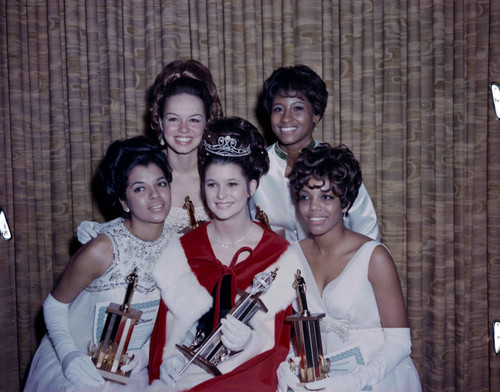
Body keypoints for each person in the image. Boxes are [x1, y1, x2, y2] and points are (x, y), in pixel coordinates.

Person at [148, 117, 301, 391]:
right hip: (190, 372)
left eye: (232, 184)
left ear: (251, 187)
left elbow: (278, 343)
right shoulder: (184, 249)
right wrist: (168, 360)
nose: (221, 195)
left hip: (250, 373)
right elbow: (168, 331)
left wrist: (250, 342)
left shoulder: (278, 255)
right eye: (212, 184)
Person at [24, 136, 174, 391]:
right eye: (139, 188)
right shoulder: (101, 249)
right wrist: (68, 357)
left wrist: (147, 354)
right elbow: (54, 305)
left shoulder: (178, 246)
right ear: (123, 202)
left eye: (160, 183)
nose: (155, 195)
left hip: (131, 366)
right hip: (78, 361)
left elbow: (175, 314)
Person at [277, 143, 421, 392]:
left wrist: (354, 382)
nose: (313, 208)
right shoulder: (292, 256)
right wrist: (289, 364)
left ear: (345, 203)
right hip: (323, 379)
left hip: (378, 377)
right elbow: (297, 330)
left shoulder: (373, 257)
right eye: (305, 197)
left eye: (326, 197)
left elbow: (400, 343)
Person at [77, 59, 223, 242]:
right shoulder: (142, 168)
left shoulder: (223, 171)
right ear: (160, 121)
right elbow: (131, 221)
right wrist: (98, 230)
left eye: (193, 120)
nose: (183, 129)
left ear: (207, 123)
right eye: (173, 119)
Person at [252, 64, 379, 242]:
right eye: (278, 109)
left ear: (316, 114)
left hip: (334, 265)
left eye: (297, 108)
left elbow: (366, 229)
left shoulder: (336, 165)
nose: (286, 118)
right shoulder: (255, 167)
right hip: (275, 266)